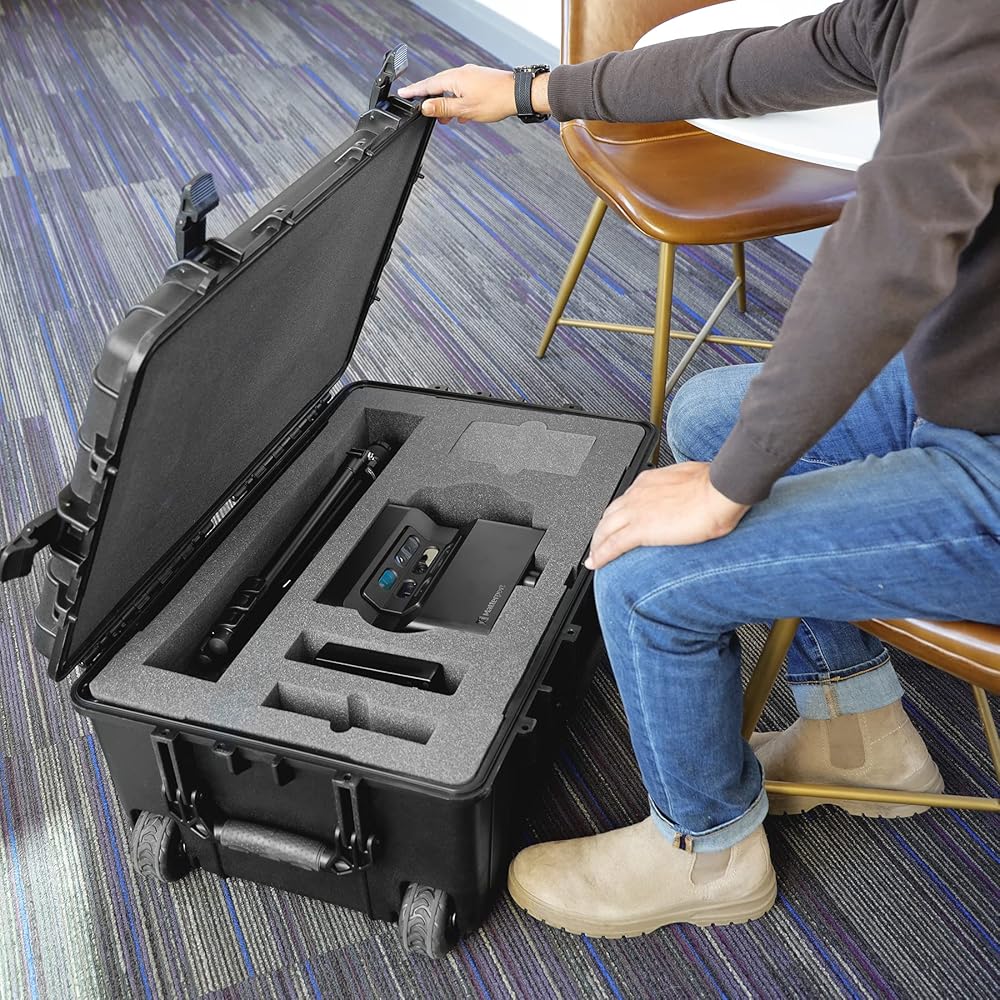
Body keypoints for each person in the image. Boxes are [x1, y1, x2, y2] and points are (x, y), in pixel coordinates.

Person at [399, 0, 1000, 937]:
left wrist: (728, 490)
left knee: (647, 574)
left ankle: (706, 850)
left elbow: (885, 258)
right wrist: (532, 91)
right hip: (973, 384)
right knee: (711, 415)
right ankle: (858, 731)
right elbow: (754, 64)